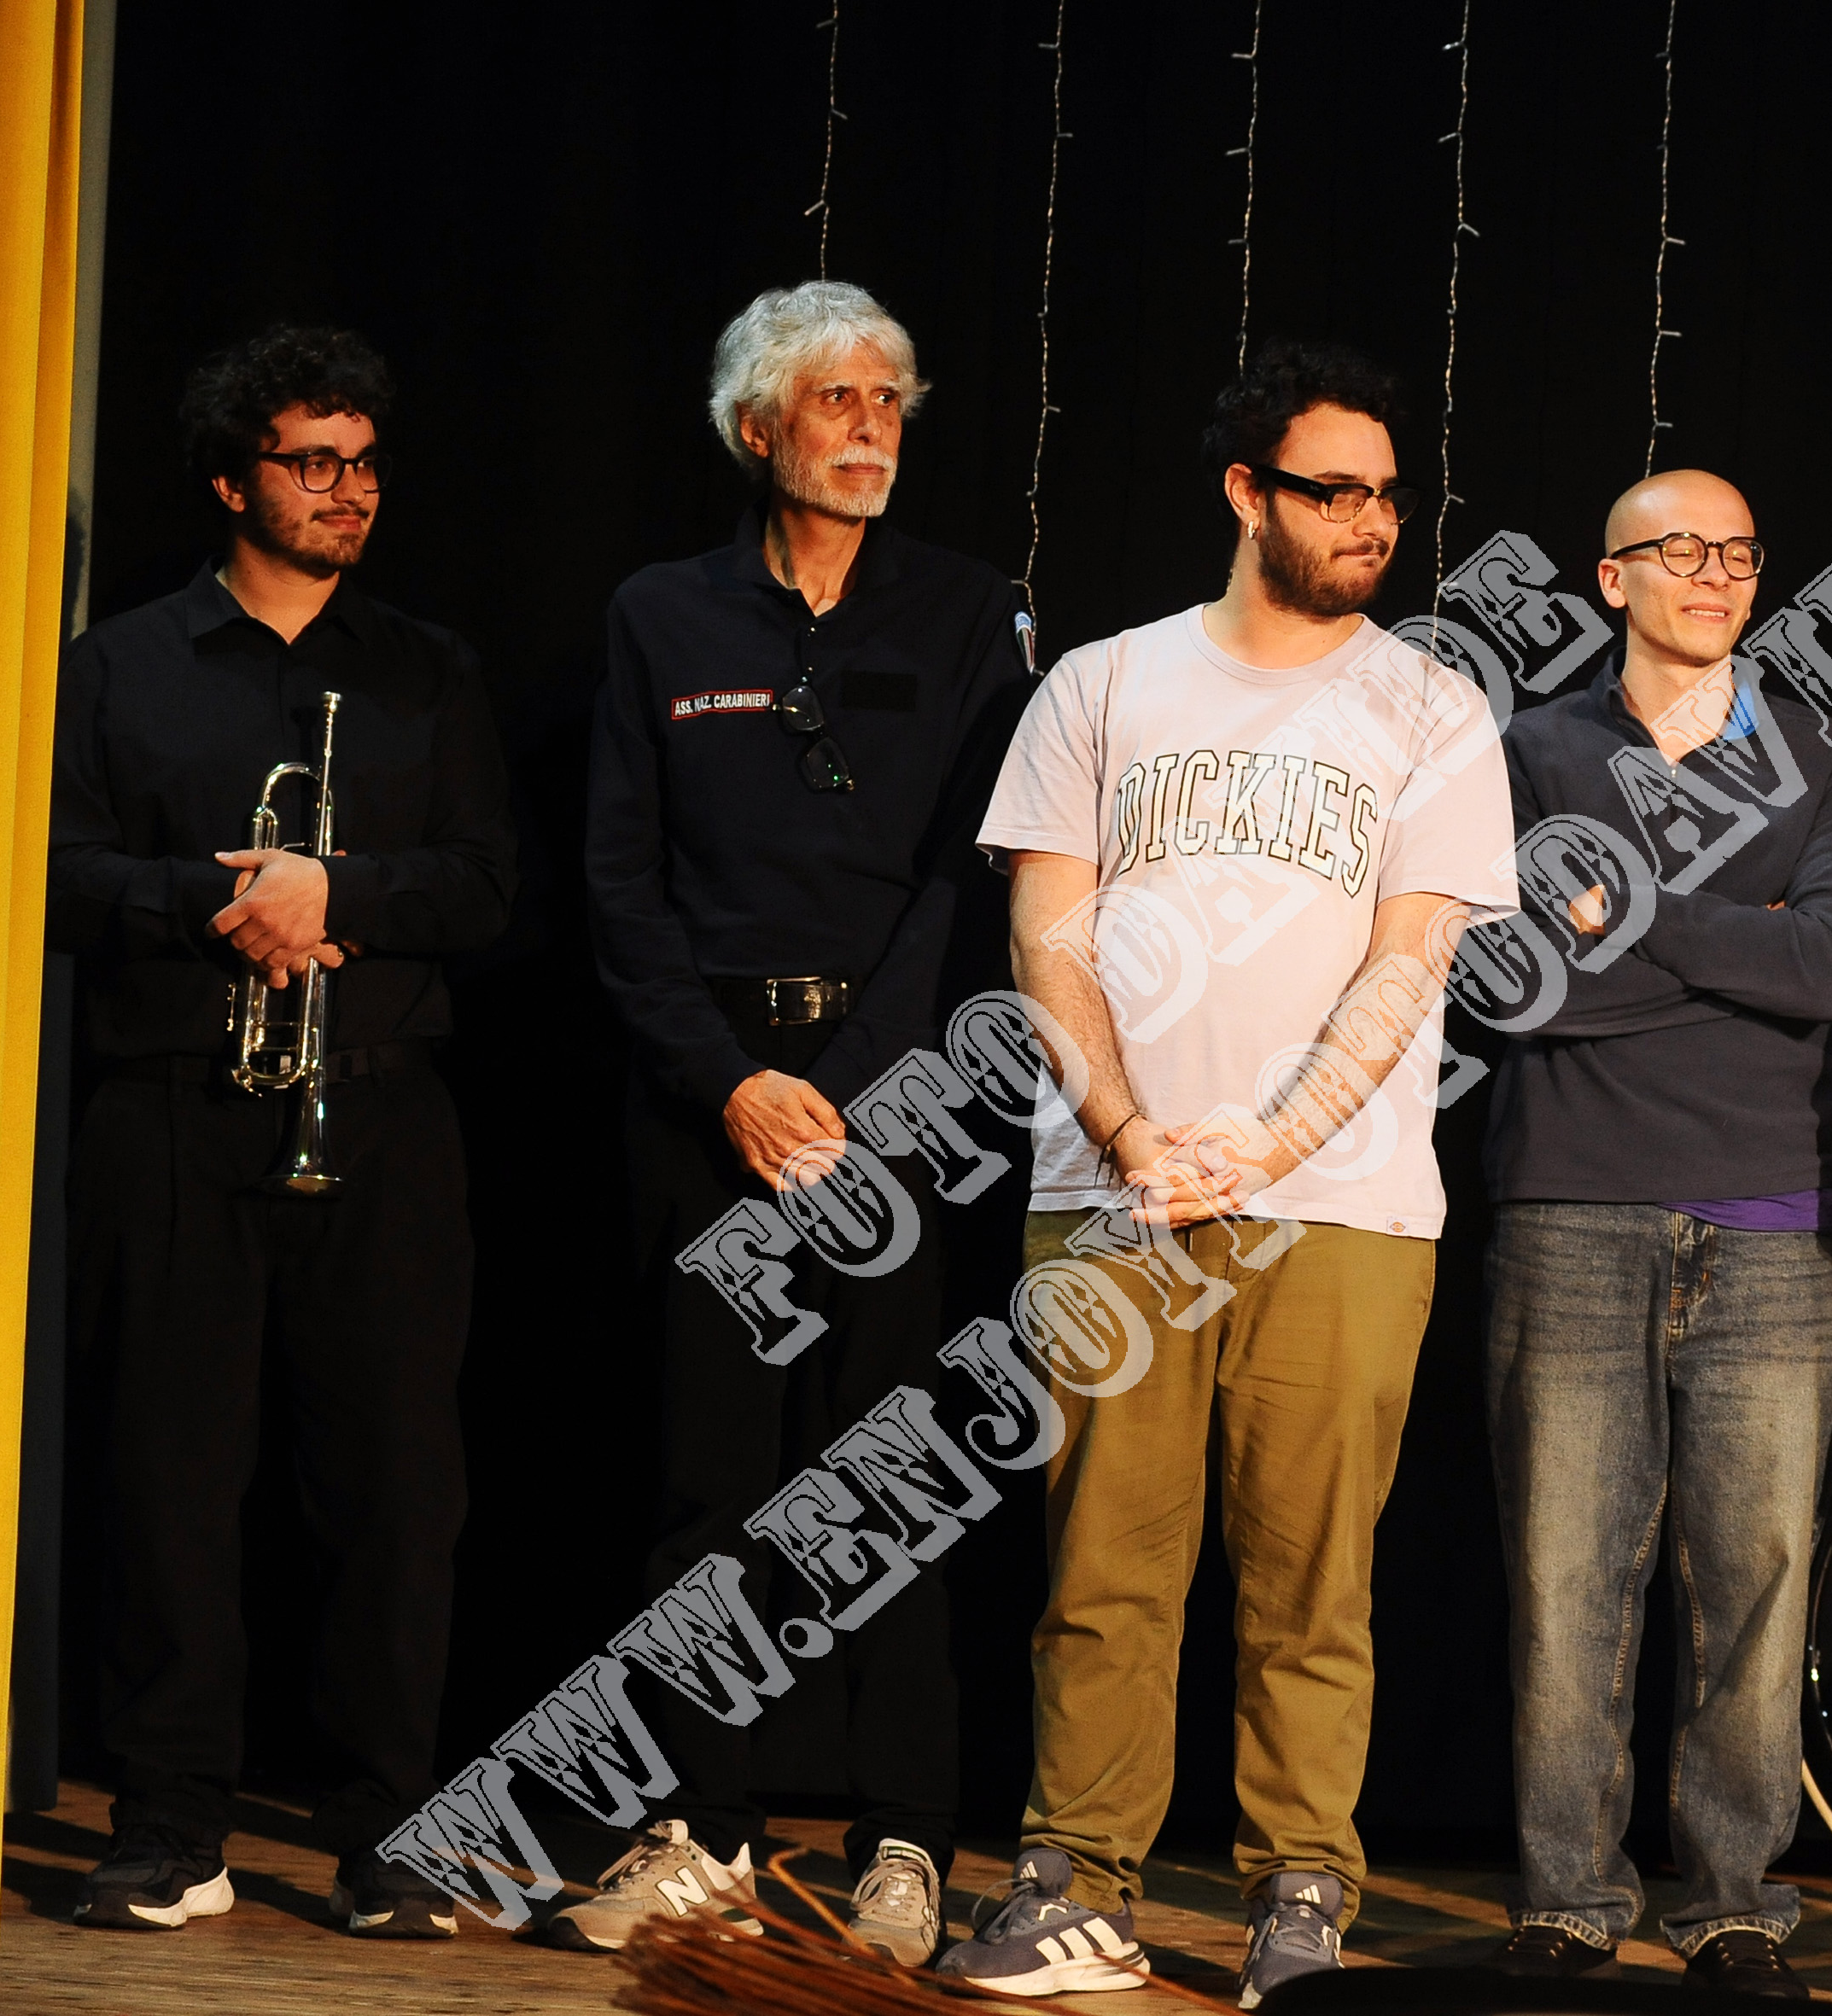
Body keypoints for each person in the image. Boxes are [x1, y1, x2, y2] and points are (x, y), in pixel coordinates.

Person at [932, 340, 1515, 2008]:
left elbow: (1409, 961)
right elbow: (1045, 937)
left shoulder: (1431, 706)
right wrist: (1134, 1134)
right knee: (1101, 1567)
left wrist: (1268, 1139)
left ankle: (1298, 1893)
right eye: (1334, 491)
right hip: (1112, 1190)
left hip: (1342, 1206)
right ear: (1246, 492)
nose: (1372, 522)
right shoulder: (1104, 684)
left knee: (1311, 1580)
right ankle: (1074, 1879)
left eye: (1389, 495)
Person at [567, 280, 1026, 1964]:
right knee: (704, 1484)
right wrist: (730, 1082)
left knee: (889, 1477)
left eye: (889, 401)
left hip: (893, 1103)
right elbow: (619, 880)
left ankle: (904, 1842)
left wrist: (854, 1092)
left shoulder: (969, 611)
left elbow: (971, 876)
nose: (870, 429)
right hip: (712, 1099)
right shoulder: (661, 615)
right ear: (755, 426)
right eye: (838, 400)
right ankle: (698, 1828)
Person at [53, 326, 516, 1938]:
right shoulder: (120, 666)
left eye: (364, 463)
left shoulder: (429, 668)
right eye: (313, 461)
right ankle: (172, 1825)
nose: (347, 489)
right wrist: (220, 907)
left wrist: (339, 893)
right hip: (172, 1115)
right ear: (231, 478)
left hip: (381, 1119)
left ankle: (388, 1830)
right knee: (170, 1482)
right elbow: (56, 870)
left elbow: (487, 884)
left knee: (396, 1492)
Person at [1481, 470, 1832, 1996]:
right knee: (1564, 1576)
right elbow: (1514, 985)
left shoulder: (1828, 760)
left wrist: (1631, 908)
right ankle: (1569, 1896)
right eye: (1678, 549)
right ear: (1612, 578)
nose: (1714, 572)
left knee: (1756, 1581)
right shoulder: (1529, 752)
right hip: (1568, 1208)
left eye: (1738, 550)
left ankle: (1731, 1900)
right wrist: (1740, 944)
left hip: (1773, 1225)